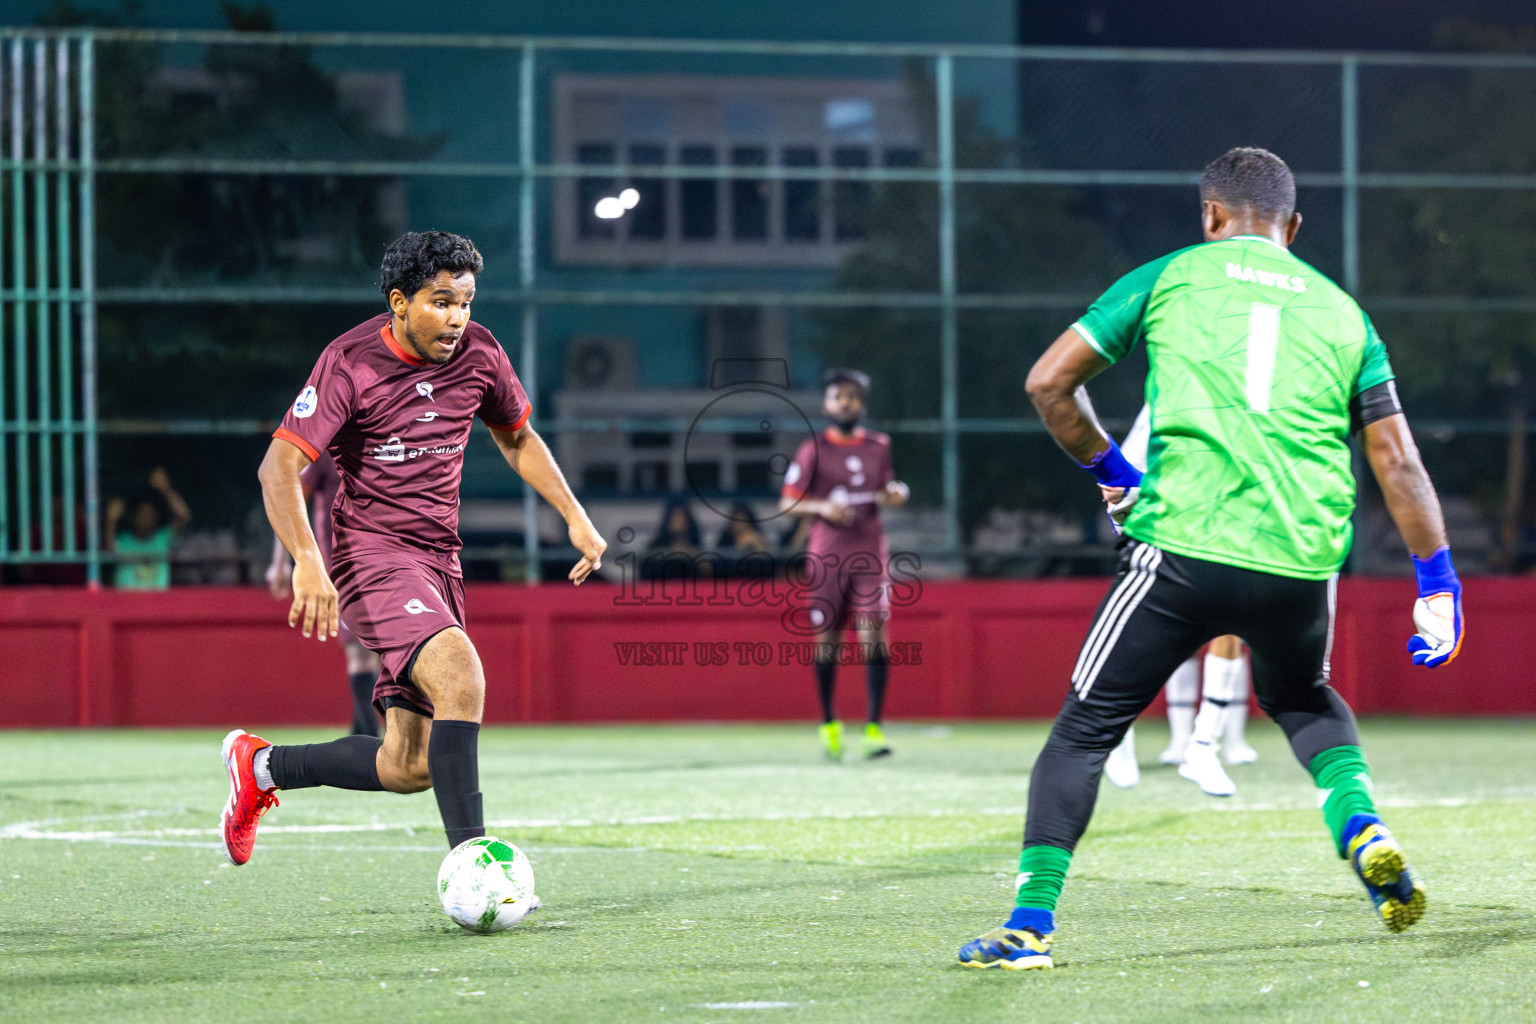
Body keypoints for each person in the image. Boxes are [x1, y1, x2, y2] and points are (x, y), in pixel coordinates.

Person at [959, 148, 1464, 970]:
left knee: (1083, 732)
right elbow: (1398, 459)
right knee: (1302, 698)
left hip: (1181, 548)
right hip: (1301, 561)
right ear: (1293, 228)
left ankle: (1029, 927)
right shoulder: (1346, 315)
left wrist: (1114, 472)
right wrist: (1436, 581)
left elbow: (1049, 383)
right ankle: (1360, 820)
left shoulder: (1171, 275)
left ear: (1210, 217)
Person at [219, 231, 606, 874]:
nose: (458, 318)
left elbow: (517, 437)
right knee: (463, 676)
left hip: (439, 561)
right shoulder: (349, 362)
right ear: (400, 302)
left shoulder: (480, 353)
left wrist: (575, 515)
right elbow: (278, 469)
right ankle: (477, 867)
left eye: (467, 302)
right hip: (369, 556)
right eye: (442, 301)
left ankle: (261, 765)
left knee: (410, 765)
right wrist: (307, 562)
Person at [1101, 406, 1259, 796]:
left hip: (1225, 520)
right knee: (1148, 635)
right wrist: (1134, 515)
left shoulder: (1253, 393)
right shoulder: (1169, 395)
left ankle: (1203, 746)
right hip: (1164, 522)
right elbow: (1117, 477)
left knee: (1232, 625)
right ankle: (1118, 728)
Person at [779, 368, 909, 761]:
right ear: (827, 403)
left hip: (869, 553)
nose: (845, 403)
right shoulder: (812, 450)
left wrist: (895, 494)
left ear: (862, 404)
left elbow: (889, 487)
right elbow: (787, 504)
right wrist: (822, 507)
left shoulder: (879, 445)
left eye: (853, 397)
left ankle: (873, 727)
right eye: (839, 396)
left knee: (873, 633)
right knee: (827, 641)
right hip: (827, 555)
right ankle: (829, 722)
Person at [266, 452, 382, 738]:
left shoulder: (384, 438)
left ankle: (362, 739)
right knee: (362, 652)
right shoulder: (326, 447)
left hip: (384, 559)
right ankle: (374, 744)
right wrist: (281, 560)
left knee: (378, 652)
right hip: (343, 565)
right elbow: (291, 496)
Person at [106, 467, 191, 590]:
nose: (146, 520)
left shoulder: (164, 537)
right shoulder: (123, 540)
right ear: (132, 518)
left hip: (158, 604)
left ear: (157, 518)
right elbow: (109, 548)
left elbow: (184, 517)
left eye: (150, 515)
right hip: (127, 605)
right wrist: (111, 520)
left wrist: (166, 489)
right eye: (142, 515)